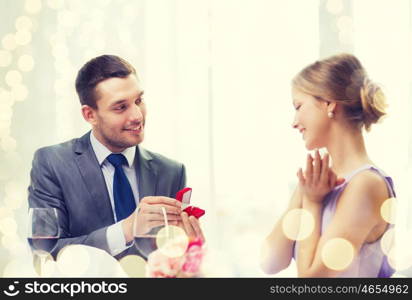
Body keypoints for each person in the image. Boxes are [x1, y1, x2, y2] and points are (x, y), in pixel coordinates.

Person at [28, 55, 204, 261]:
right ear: (89, 115)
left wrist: (191, 253)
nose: (137, 115)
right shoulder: (51, 163)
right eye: (121, 107)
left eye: (138, 100)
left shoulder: (171, 171)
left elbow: (171, 260)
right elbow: (46, 253)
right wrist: (125, 229)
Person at [260, 53, 395, 277]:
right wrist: (304, 193)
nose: (294, 123)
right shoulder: (316, 182)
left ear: (329, 103)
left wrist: (313, 203)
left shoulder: (366, 185)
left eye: (298, 106)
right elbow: (269, 262)